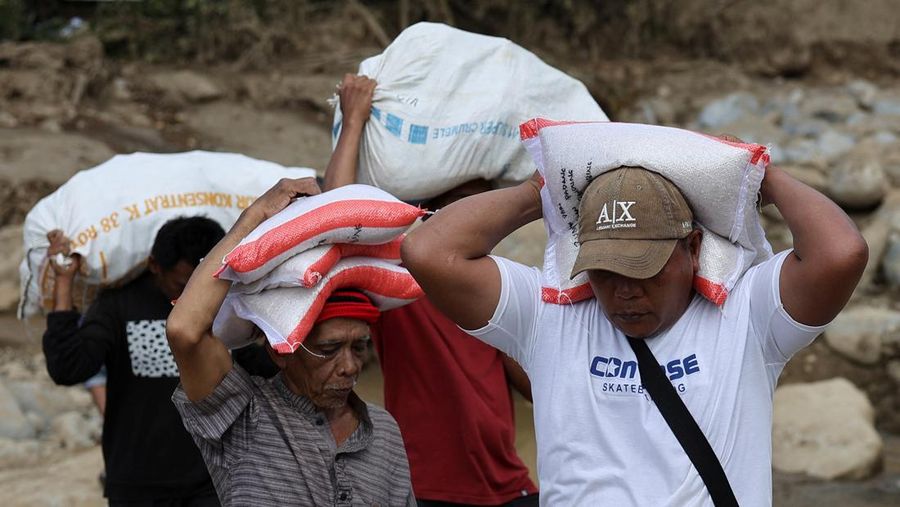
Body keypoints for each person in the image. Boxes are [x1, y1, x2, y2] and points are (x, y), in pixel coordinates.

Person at [400, 143, 868, 504]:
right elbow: (428, 251)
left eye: (645, 269)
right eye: (605, 271)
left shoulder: (745, 313)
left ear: (693, 249)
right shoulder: (550, 315)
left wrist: (762, 177)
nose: (625, 291)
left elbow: (841, 253)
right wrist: (542, 189)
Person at [325, 74, 538, 506]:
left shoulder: (496, 284)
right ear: (433, 216)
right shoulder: (401, 279)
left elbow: (537, 384)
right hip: (427, 490)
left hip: (509, 486)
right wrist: (354, 121)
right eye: (466, 205)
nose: (481, 218)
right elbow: (339, 218)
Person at [166, 178, 414, 507]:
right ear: (280, 352)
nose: (350, 367)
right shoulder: (245, 416)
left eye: (359, 347)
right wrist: (255, 215)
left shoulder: (383, 430)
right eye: (328, 350)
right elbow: (185, 330)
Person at [42, 216, 231, 505]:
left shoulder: (225, 303)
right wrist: (64, 282)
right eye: (182, 285)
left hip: (214, 481)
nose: (193, 297)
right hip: (137, 484)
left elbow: (264, 368)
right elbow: (67, 368)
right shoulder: (118, 305)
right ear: (155, 265)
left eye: (201, 285)